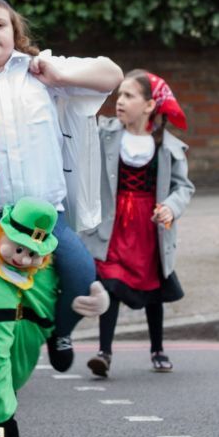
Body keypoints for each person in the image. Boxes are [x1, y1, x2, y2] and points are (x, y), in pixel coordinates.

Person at [0, 0, 120, 376]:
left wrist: (60, 76)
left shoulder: (42, 73)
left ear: (15, 32)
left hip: (45, 215)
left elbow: (112, 74)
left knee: (81, 274)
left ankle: (59, 332)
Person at [0, 197, 108, 437]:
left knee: (80, 270)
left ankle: (60, 336)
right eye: (19, 249)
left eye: (32, 253)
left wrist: (96, 295)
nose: (23, 258)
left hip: (30, 325)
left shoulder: (43, 268)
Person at [83, 70, 194, 376]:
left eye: (129, 96)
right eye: (119, 95)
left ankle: (157, 348)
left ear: (149, 106)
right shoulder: (104, 133)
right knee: (110, 284)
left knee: (152, 287)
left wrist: (170, 209)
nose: (120, 101)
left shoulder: (168, 146)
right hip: (113, 224)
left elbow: (183, 187)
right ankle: (104, 352)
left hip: (149, 227)